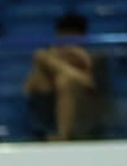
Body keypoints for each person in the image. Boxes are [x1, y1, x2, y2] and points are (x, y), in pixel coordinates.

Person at [24, 12, 107, 141]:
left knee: (65, 81)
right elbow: (28, 89)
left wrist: (56, 64)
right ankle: (44, 132)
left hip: (85, 117)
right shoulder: (46, 58)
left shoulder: (94, 58)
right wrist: (45, 64)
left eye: (71, 37)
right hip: (47, 117)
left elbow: (90, 84)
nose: (66, 42)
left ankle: (63, 136)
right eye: (63, 36)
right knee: (42, 78)